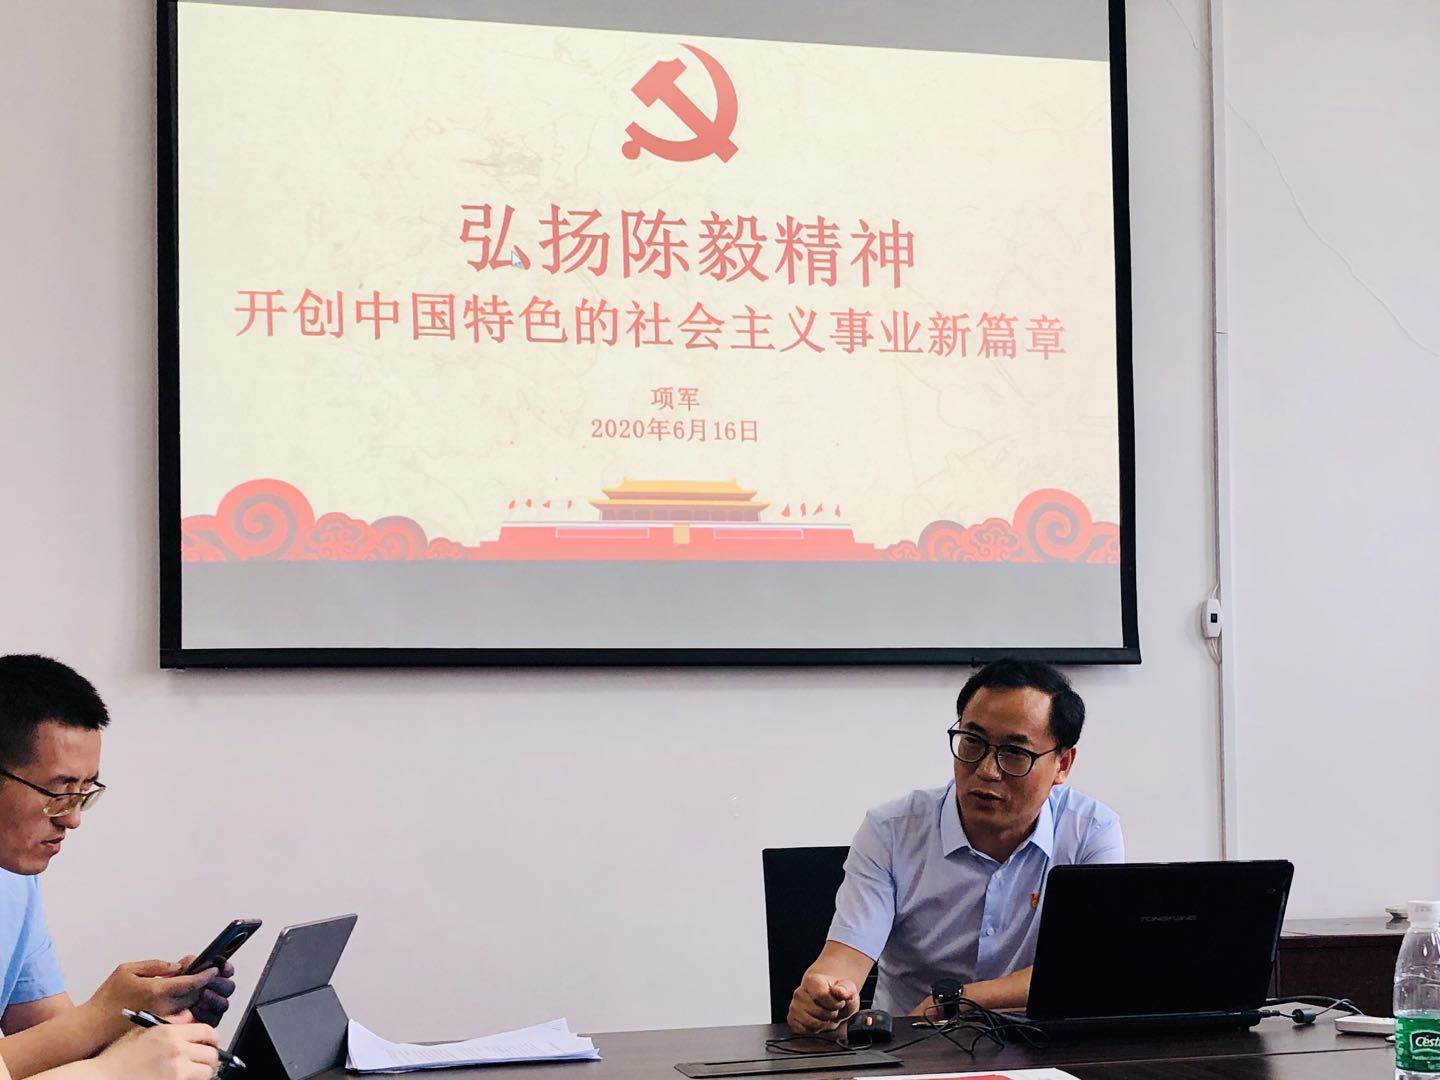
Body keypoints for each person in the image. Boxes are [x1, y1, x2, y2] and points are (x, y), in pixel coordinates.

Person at [788, 659, 1124, 1033]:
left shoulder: (1090, 831)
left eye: (1015, 753)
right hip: (914, 1044)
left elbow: (1087, 965)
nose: (987, 770)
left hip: (1041, 1042)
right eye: (973, 742)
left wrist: (959, 1000)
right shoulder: (891, 831)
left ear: (1063, 764)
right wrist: (825, 994)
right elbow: (844, 961)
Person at [0, 655, 235, 1078]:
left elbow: (40, 1043)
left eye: (84, 792)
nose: (73, 819)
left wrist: (146, 1024)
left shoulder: (14, 881)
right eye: (59, 793)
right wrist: (113, 1064)